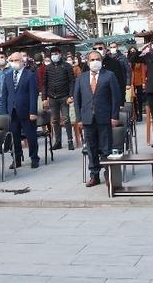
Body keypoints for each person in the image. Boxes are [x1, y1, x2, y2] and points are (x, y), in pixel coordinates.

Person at [73, 50, 119, 187]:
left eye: (97, 59)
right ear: (88, 62)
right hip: (87, 118)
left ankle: (108, 174)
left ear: (101, 60)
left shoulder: (109, 76)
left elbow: (116, 98)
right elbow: (77, 99)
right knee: (91, 148)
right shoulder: (81, 77)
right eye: (92, 60)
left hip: (104, 117)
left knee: (106, 148)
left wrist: (114, 116)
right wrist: (79, 118)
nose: (95, 62)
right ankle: (94, 175)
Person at [3, 51, 40, 169]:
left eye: (17, 60)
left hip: (26, 111)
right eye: (12, 61)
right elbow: (5, 94)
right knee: (14, 136)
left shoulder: (30, 75)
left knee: (30, 135)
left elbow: (33, 95)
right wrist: (4, 112)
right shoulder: (8, 75)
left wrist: (33, 112)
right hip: (12, 112)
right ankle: (17, 159)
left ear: (22, 61)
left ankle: (34, 158)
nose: (14, 63)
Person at [42, 47, 75, 150]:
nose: (54, 56)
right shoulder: (48, 68)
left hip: (64, 96)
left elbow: (72, 82)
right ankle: (58, 141)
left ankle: (70, 141)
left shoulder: (67, 66)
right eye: (52, 54)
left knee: (66, 119)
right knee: (55, 120)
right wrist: (44, 97)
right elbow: (44, 84)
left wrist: (71, 95)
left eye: (56, 54)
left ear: (60, 54)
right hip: (52, 97)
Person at [128, 46, 146, 122]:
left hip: (139, 81)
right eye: (131, 51)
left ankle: (140, 114)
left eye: (134, 51)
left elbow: (143, 71)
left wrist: (143, 82)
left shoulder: (139, 59)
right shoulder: (128, 60)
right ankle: (135, 115)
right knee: (133, 99)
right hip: (131, 82)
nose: (132, 52)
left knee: (140, 99)